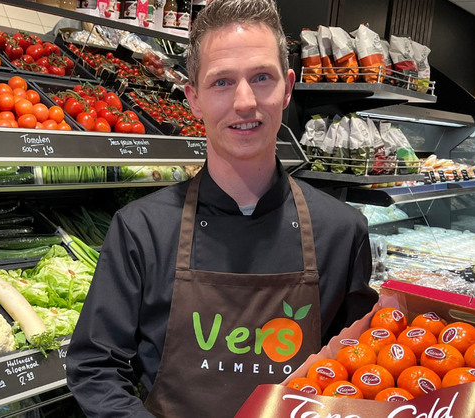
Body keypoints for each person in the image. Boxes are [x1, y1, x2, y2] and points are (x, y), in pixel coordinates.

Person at [66, 0, 378, 416]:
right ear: (194, 99)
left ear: (287, 88)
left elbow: (357, 368)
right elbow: (94, 366)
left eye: (261, 77)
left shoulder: (342, 232)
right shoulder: (142, 230)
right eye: (222, 82)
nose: (245, 101)